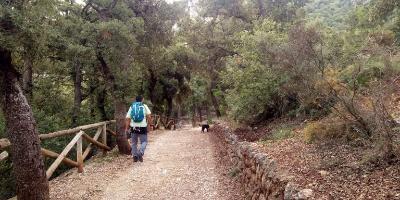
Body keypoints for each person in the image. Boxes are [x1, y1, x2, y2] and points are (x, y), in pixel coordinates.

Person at [125, 95, 152, 162]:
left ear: (135, 100)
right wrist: (149, 124)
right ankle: (140, 152)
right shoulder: (144, 106)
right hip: (142, 127)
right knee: (144, 141)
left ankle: (135, 156)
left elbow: (128, 118)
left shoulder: (132, 107)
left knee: (134, 142)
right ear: (142, 100)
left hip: (133, 127)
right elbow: (149, 116)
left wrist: (126, 128)